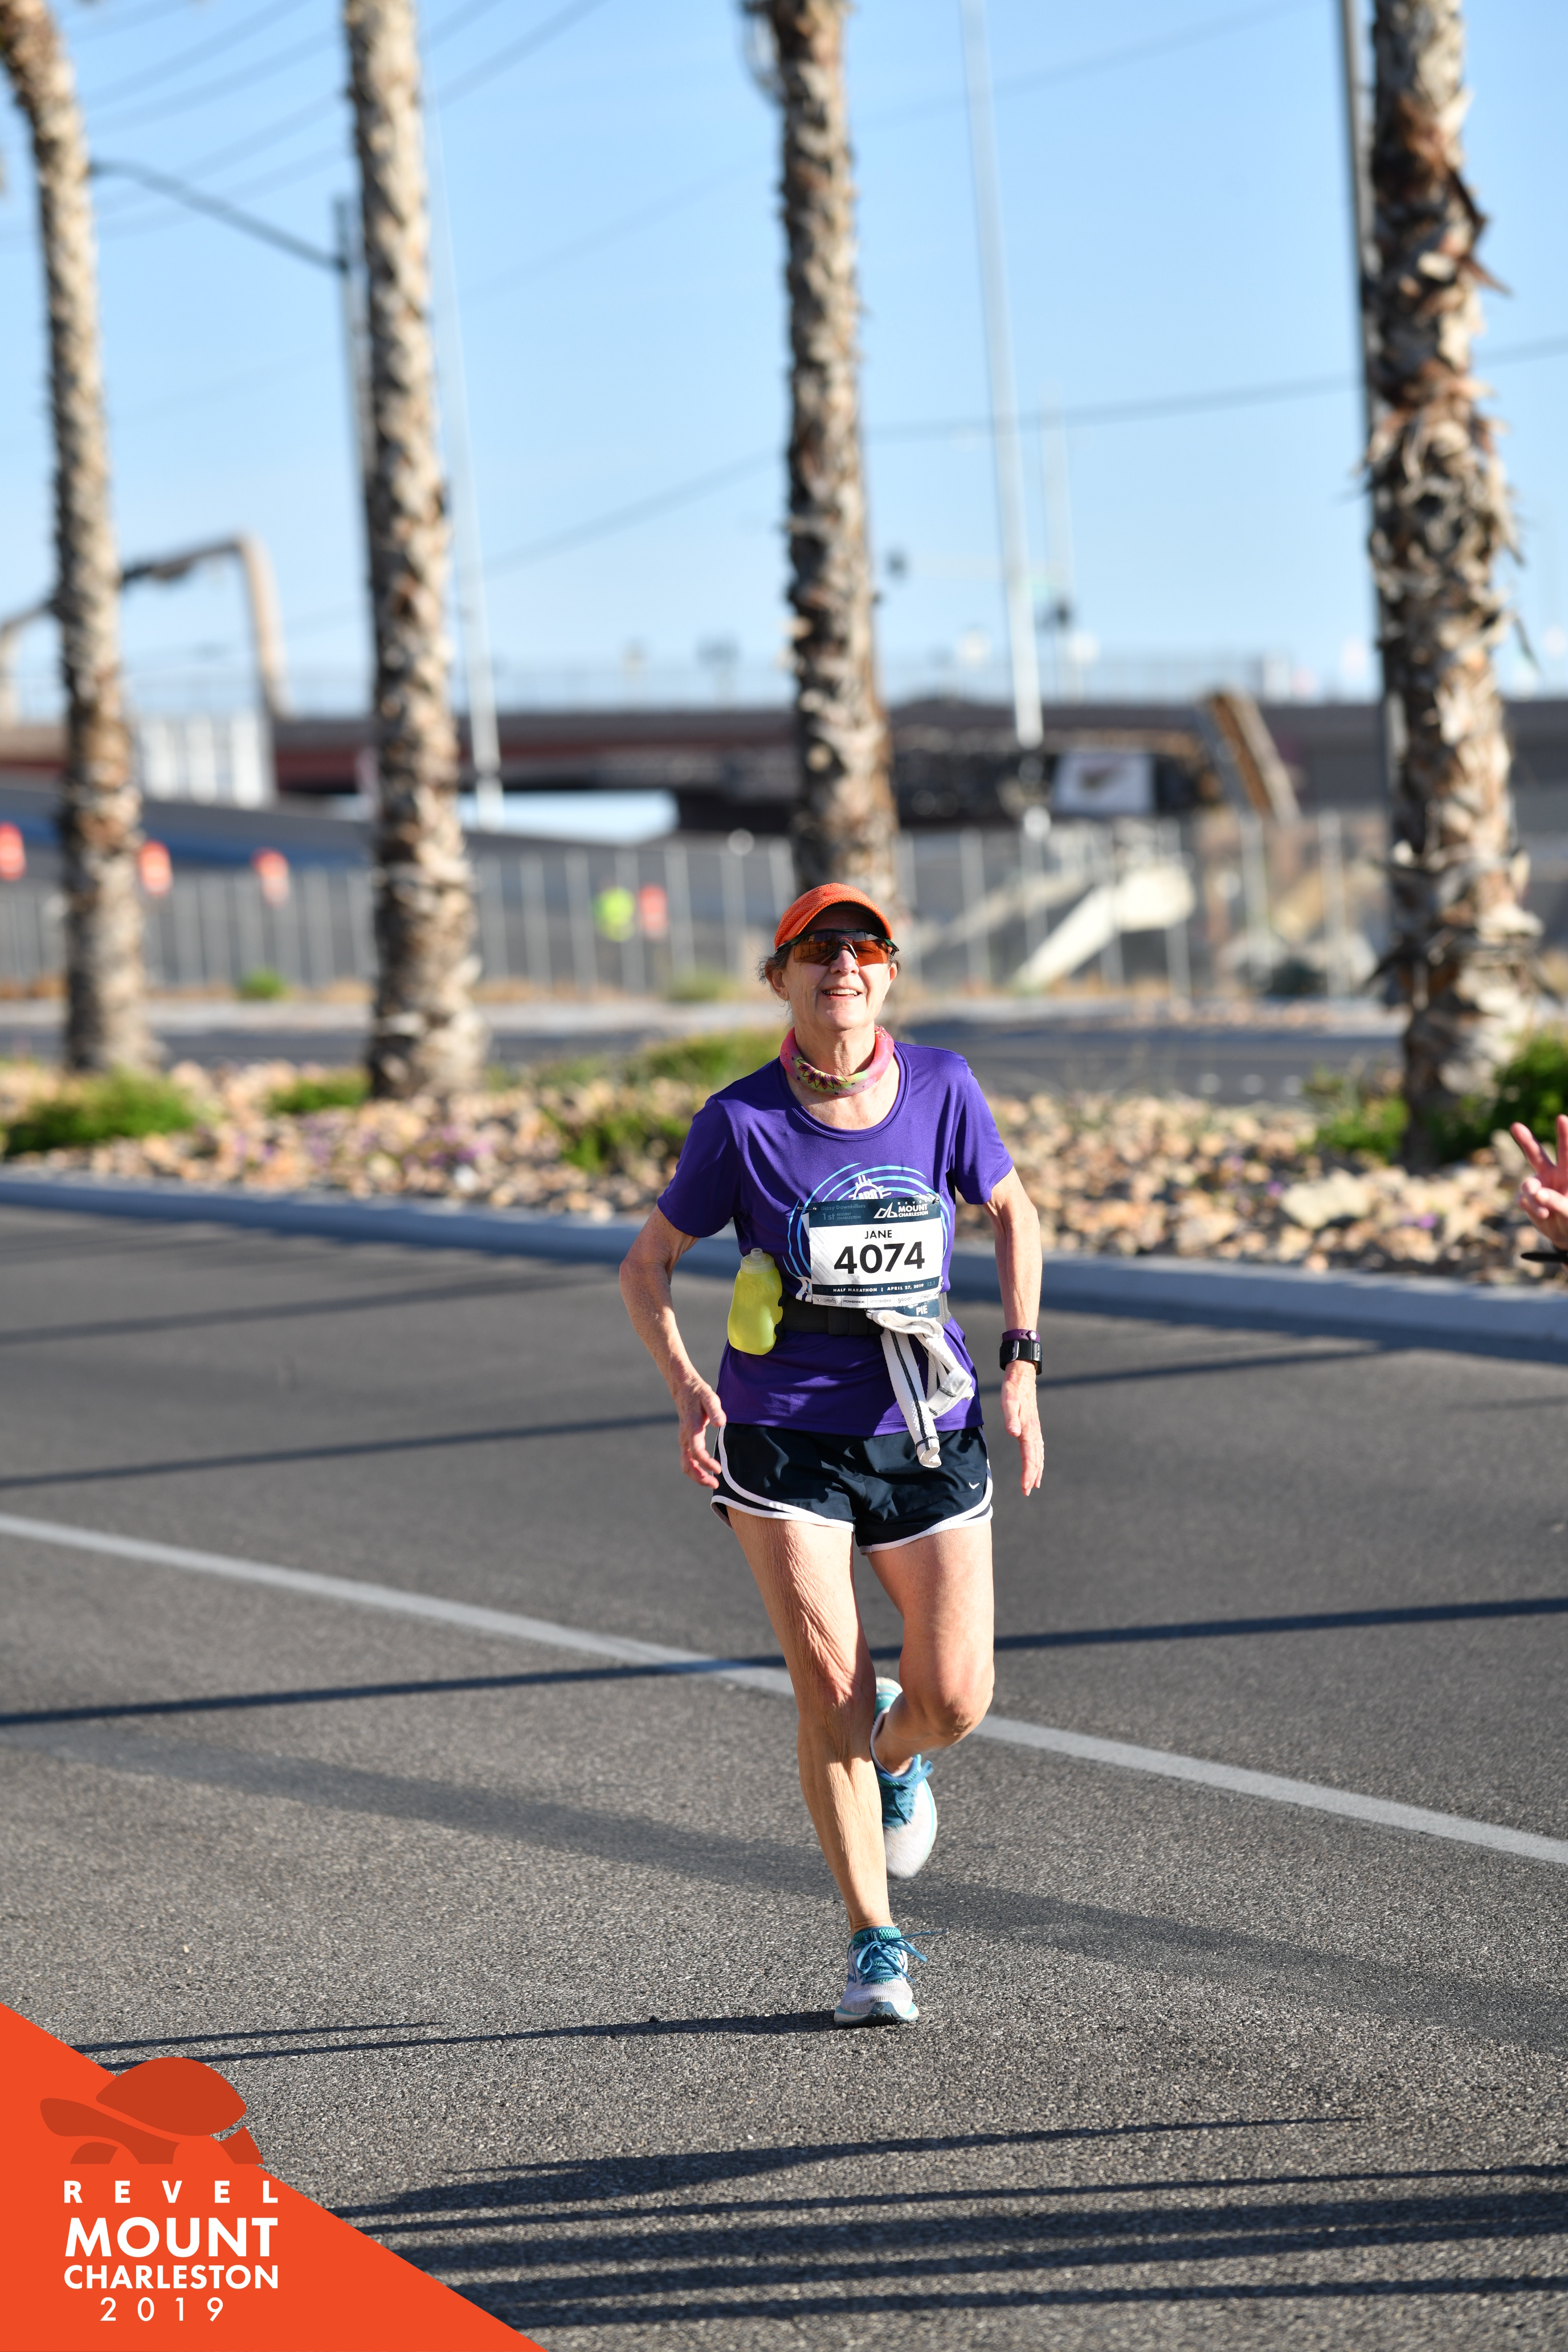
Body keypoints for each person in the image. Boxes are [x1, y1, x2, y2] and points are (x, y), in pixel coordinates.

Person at [620, 883, 1043, 2026]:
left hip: (924, 1425)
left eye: (863, 947)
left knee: (954, 1698)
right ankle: (874, 1944)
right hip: (782, 1434)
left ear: (889, 974)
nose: (841, 964)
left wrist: (1020, 1361)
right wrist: (687, 1387)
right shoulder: (739, 1122)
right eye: (815, 949)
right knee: (830, 1694)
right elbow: (646, 1264)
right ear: (780, 979)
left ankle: (901, 1757)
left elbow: (1013, 1211)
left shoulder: (944, 1088)